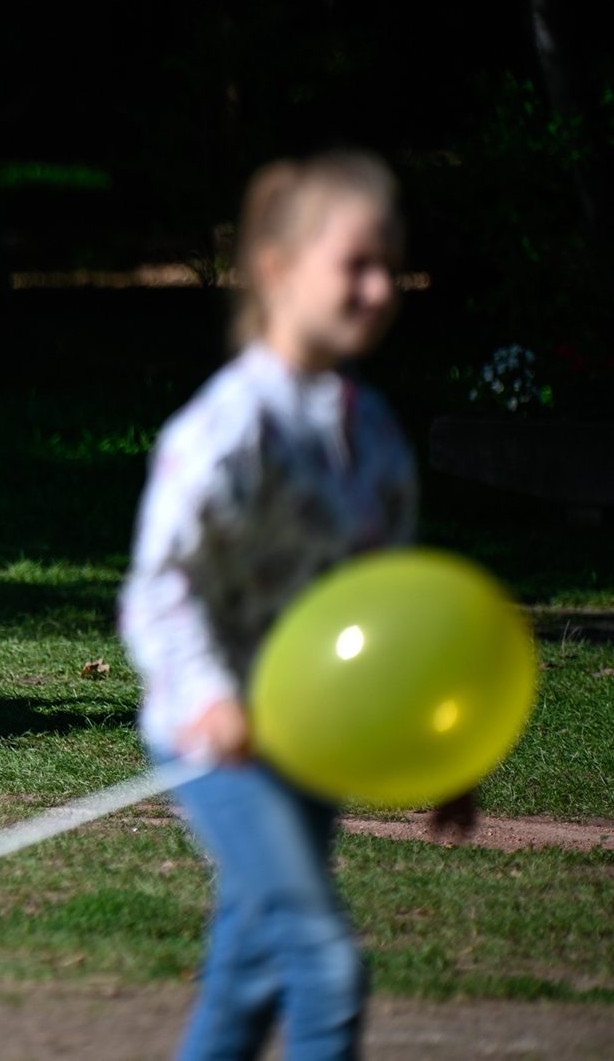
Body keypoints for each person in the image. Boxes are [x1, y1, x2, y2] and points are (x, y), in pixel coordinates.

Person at [120, 150, 476, 1061]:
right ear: (277, 271)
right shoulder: (228, 428)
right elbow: (159, 593)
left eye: (386, 266)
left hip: (309, 736)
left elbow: (384, 612)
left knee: (247, 972)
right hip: (218, 739)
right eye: (352, 264)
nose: (375, 287)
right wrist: (209, 701)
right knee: (322, 967)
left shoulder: (375, 436)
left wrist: (439, 741)